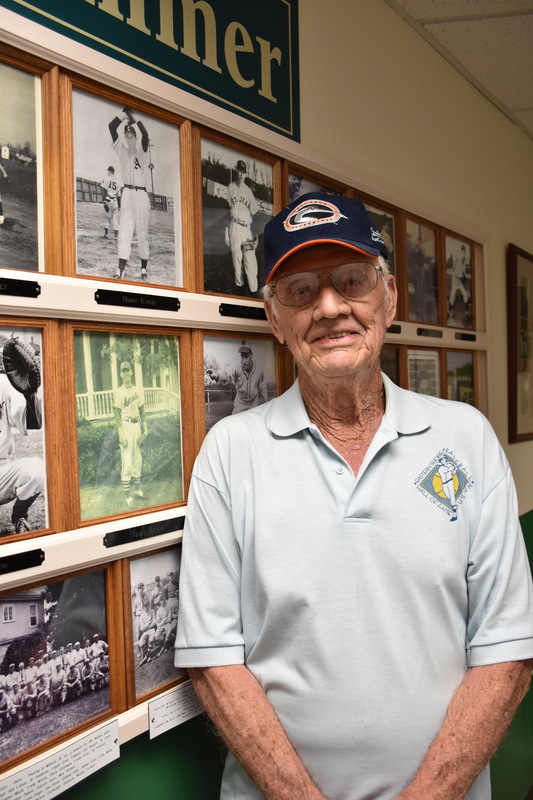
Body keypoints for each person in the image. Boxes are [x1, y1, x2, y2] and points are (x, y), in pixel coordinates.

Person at [174, 192, 533, 800]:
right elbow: (213, 662)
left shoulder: (466, 438)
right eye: (300, 290)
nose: (329, 307)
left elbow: (508, 650)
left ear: (388, 296)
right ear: (275, 320)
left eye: (351, 281)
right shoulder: (230, 452)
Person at [0, 345, 45, 535]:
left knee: (37, 470)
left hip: (2, 471)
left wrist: (29, 392)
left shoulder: (3, 384)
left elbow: (32, 422)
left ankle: (19, 516)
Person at [108, 107, 151, 282]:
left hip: (141, 195)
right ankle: (120, 271)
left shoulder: (143, 153)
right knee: (125, 231)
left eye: (132, 136)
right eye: (127, 136)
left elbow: (146, 135)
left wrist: (135, 119)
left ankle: (143, 270)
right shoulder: (122, 151)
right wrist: (124, 116)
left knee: (142, 233)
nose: (129, 139)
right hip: (127, 193)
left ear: (136, 138)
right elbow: (111, 127)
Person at [113, 361, 148, 507]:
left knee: (137, 460)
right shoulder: (119, 392)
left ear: (131, 372)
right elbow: (116, 414)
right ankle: (128, 497)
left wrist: (145, 428)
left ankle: (138, 490)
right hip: (126, 425)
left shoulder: (138, 390)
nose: (126, 373)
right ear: (121, 374)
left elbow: (142, 410)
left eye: (128, 370)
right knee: (127, 462)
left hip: (136, 426)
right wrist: (120, 433)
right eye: (123, 371)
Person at [206, 341, 267, 414]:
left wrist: (266, 400)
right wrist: (217, 375)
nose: (244, 361)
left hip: (253, 403)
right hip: (240, 402)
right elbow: (227, 373)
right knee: (235, 420)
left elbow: (262, 386)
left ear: (251, 355)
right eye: (242, 356)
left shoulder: (259, 370)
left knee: (255, 420)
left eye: (246, 357)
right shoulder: (237, 367)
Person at [226, 160, 259, 294]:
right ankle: (239, 286)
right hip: (234, 226)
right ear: (236, 170)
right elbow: (226, 209)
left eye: (243, 172)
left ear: (246, 174)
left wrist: (255, 235)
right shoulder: (230, 187)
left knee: (249, 260)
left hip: (246, 228)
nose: (241, 174)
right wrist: (226, 231)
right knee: (236, 258)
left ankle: (253, 289)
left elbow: (255, 213)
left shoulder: (248, 192)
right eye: (239, 171)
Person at [100, 165, 120, 240]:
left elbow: (104, 191)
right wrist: (119, 206)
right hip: (115, 201)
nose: (108, 172)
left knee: (106, 218)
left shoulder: (107, 178)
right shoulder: (118, 181)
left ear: (110, 171)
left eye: (108, 171)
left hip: (108, 200)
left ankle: (106, 235)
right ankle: (116, 236)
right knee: (115, 219)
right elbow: (119, 195)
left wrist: (104, 202)